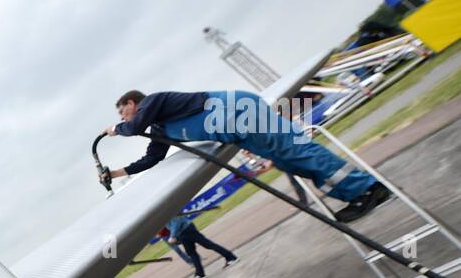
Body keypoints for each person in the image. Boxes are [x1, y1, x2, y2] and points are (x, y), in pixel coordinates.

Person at [101, 90, 392, 223]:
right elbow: (151, 158)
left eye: (122, 111)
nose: (123, 116)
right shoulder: (161, 127)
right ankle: (355, 195)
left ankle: (368, 188)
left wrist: (117, 128)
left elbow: (135, 126)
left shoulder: (153, 102)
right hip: (238, 129)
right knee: (288, 160)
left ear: (132, 103)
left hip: (239, 112)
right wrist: (115, 173)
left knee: (295, 150)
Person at [167, 214, 237, 278]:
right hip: (182, 233)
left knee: (208, 244)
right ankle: (200, 274)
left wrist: (173, 235)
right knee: (191, 252)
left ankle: (231, 257)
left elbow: (176, 222)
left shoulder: (167, 210)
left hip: (187, 230)